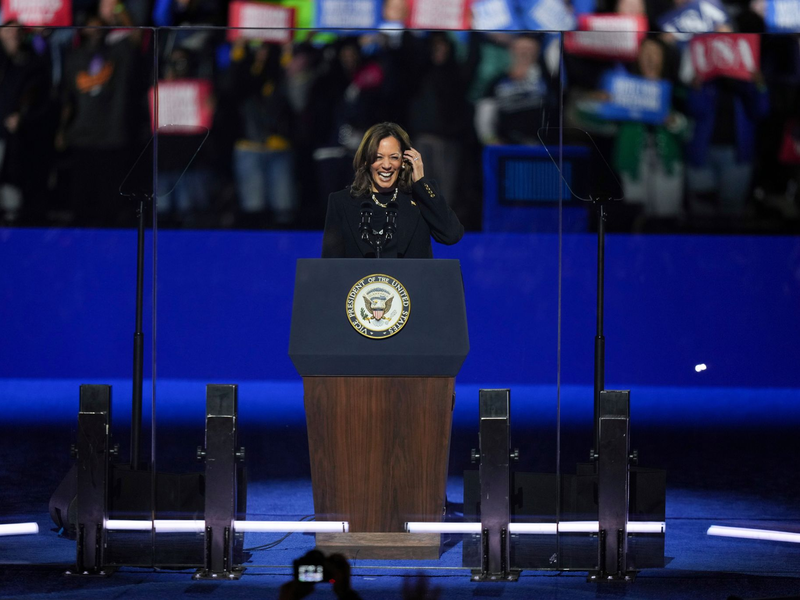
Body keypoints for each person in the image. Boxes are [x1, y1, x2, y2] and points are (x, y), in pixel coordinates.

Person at [321, 122, 463, 258]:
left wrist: (420, 182)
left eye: (394, 157)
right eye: (378, 157)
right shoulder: (341, 202)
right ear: (366, 161)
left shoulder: (419, 199)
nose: (387, 165)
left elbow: (451, 234)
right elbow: (331, 265)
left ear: (404, 161)